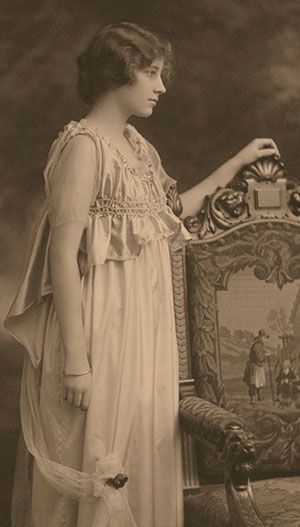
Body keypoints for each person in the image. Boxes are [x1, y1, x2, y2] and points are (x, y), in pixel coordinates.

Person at [4, 22, 280, 527]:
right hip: (100, 331)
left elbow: (171, 216)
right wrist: (76, 362)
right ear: (118, 74)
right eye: (151, 73)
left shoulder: (136, 145)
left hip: (146, 335)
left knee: (144, 457)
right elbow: (63, 255)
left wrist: (236, 162)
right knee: (103, 460)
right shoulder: (83, 146)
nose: (161, 86)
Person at [244, 329, 270, 404]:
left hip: (259, 366)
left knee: (260, 382)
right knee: (253, 383)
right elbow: (259, 358)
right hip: (255, 367)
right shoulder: (257, 346)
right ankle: (252, 399)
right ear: (261, 338)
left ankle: (260, 396)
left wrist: (265, 353)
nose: (266, 340)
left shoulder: (261, 345)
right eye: (265, 338)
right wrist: (266, 355)